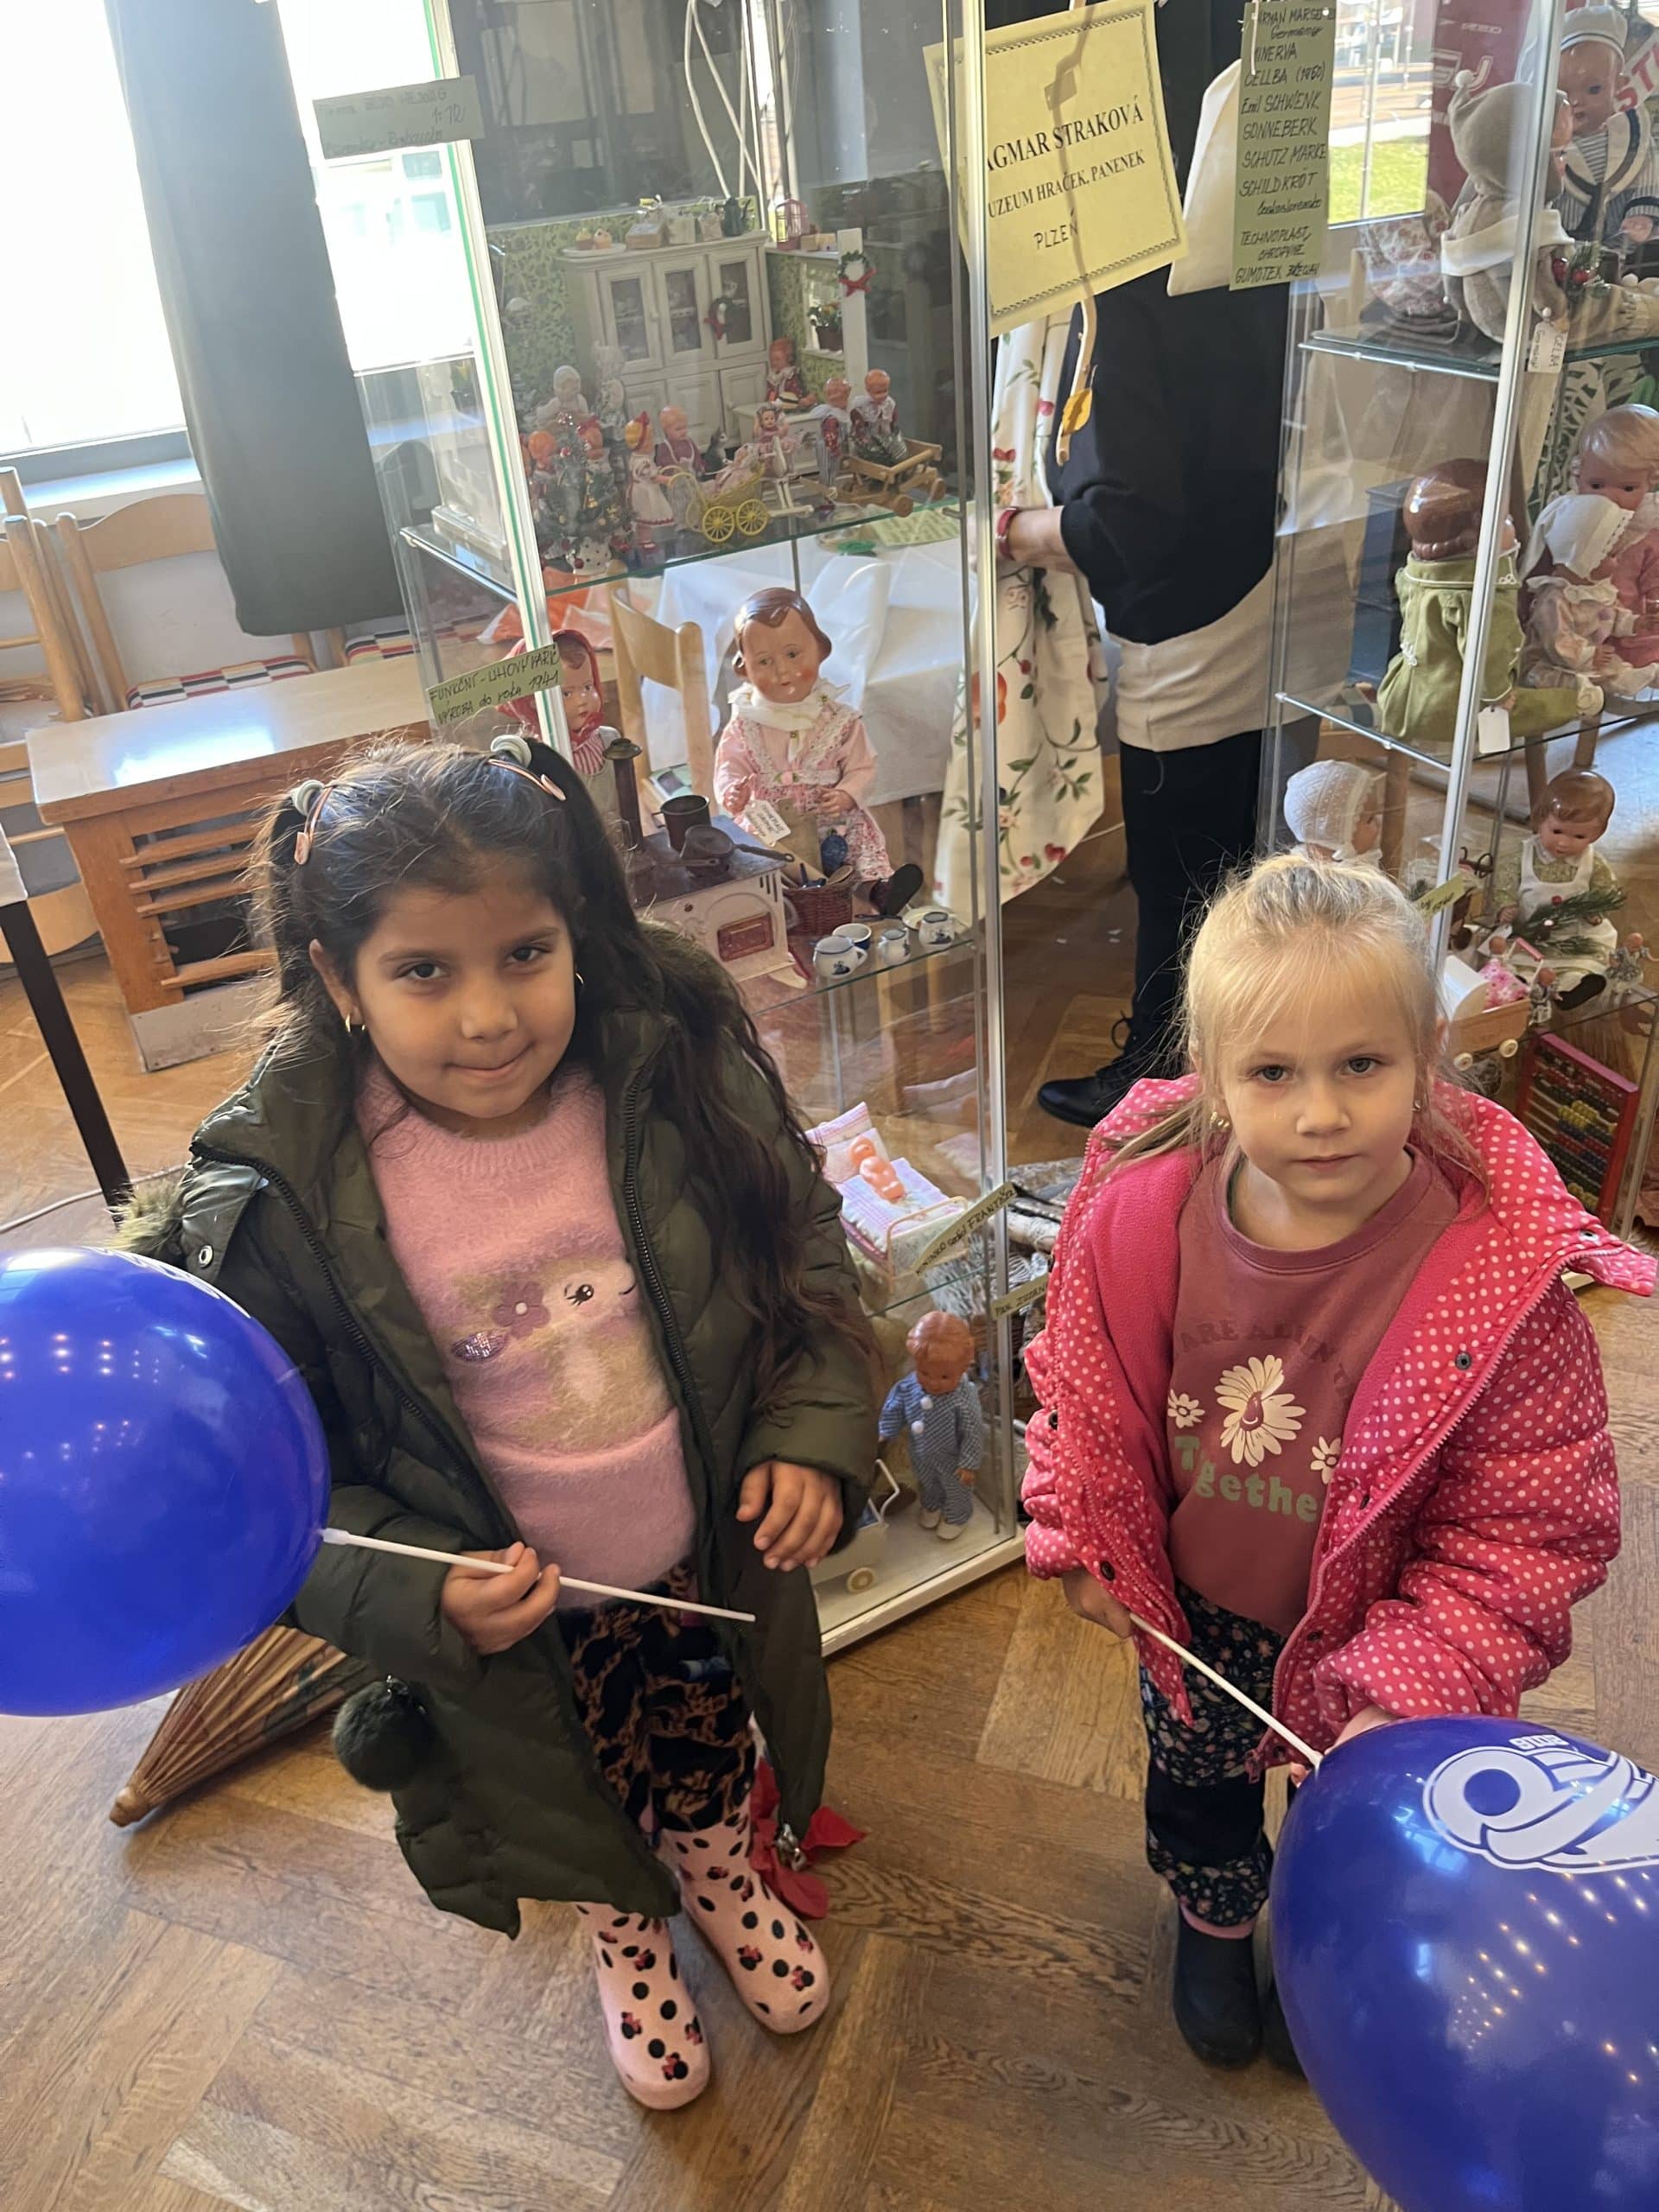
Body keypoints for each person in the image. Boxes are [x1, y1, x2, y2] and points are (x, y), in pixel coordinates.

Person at [122, 734, 876, 2111]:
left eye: (525, 954)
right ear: (338, 981)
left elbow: (804, 1247)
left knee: (707, 1741)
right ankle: (627, 1931)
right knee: (576, 1786)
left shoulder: (669, 1068)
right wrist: (414, 1585)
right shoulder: (281, 1198)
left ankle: (719, 1869)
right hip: (510, 1614)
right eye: (424, 972)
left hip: (700, 1551)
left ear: (575, 928)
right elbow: (267, 1487)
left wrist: (812, 1429)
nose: (488, 1016)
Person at [1020, 856, 1649, 2069]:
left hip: (1377, 1634)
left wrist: (1412, 1683)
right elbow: (1081, 1389)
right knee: (1197, 1784)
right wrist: (1077, 1534)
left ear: (1428, 1057)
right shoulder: (1141, 1214)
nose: (1321, 1114)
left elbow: (1525, 1528)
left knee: (1352, 1825)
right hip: (1198, 1623)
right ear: (1212, 1075)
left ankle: (1326, 1949)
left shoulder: (1497, 1277)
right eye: (1274, 1074)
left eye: (1362, 1065)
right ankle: (1215, 1919)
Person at [1008, 0, 1289, 1129]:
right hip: (1260, 568)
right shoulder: (1240, 250)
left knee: (1180, 865)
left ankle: (1168, 1078)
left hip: (1192, 608)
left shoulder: (1127, 286)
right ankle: (1237, 1060)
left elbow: (1132, 518)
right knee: (1235, 849)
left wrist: (1027, 535)